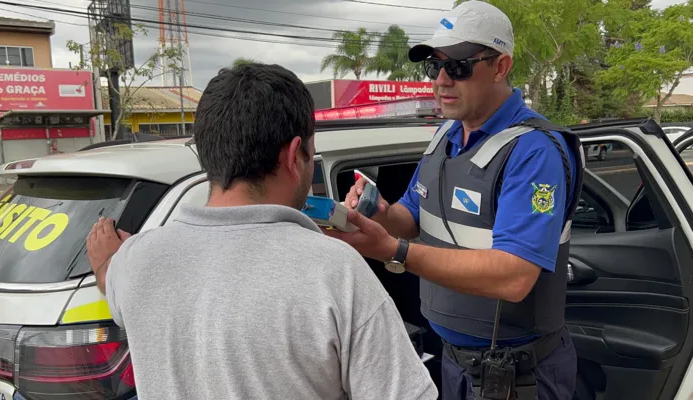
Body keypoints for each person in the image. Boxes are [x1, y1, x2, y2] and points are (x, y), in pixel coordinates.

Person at [85, 63, 438, 400]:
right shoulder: (337, 272)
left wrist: (105, 263)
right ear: (294, 154)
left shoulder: (136, 259)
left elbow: (112, 281)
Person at [325, 2, 584, 400]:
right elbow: (412, 216)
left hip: (516, 373)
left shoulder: (534, 152)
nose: (442, 80)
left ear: (500, 67)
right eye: (434, 66)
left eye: (458, 66)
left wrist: (394, 251)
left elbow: (514, 277)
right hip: (455, 361)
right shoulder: (445, 138)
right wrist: (379, 212)